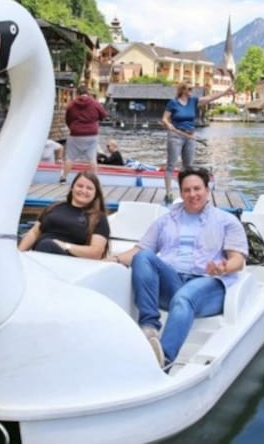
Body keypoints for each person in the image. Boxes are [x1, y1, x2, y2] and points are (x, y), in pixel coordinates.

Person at [109, 167, 248, 367]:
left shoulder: (227, 221)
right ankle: (149, 326)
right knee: (145, 257)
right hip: (173, 281)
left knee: (185, 298)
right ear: (181, 193)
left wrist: (222, 267)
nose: (193, 194)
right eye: (187, 190)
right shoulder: (165, 221)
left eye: (197, 189)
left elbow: (238, 260)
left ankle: (162, 361)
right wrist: (113, 260)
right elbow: (138, 251)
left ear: (207, 190)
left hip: (209, 284)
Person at [160, 82, 231, 204]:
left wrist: (224, 93)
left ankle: (186, 192)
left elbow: (209, 98)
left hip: (190, 136)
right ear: (183, 90)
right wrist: (168, 124)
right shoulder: (173, 103)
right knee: (171, 165)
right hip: (176, 135)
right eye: (190, 88)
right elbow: (164, 119)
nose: (192, 90)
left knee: (188, 167)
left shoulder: (193, 101)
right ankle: (168, 193)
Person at [18, 171, 110, 259]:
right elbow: (34, 233)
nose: (83, 190)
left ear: (95, 194)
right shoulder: (54, 207)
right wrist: (18, 254)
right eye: (80, 186)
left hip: (68, 260)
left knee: (47, 245)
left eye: (89, 188)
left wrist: (65, 246)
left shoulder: (98, 218)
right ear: (72, 188)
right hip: (40, 254)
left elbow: (96, 252)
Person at [60, 85, 107, 183]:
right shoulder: (95, 103)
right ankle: (95, 180)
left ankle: (64, 178)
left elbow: (67, 119)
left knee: (69, 158)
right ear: (88, 93)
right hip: (91, 134)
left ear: (77, 93)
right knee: (92, 159)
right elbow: (103, 114)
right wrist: (95, 120)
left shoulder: (71, 104)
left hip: (75, 134)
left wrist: (73, 128)